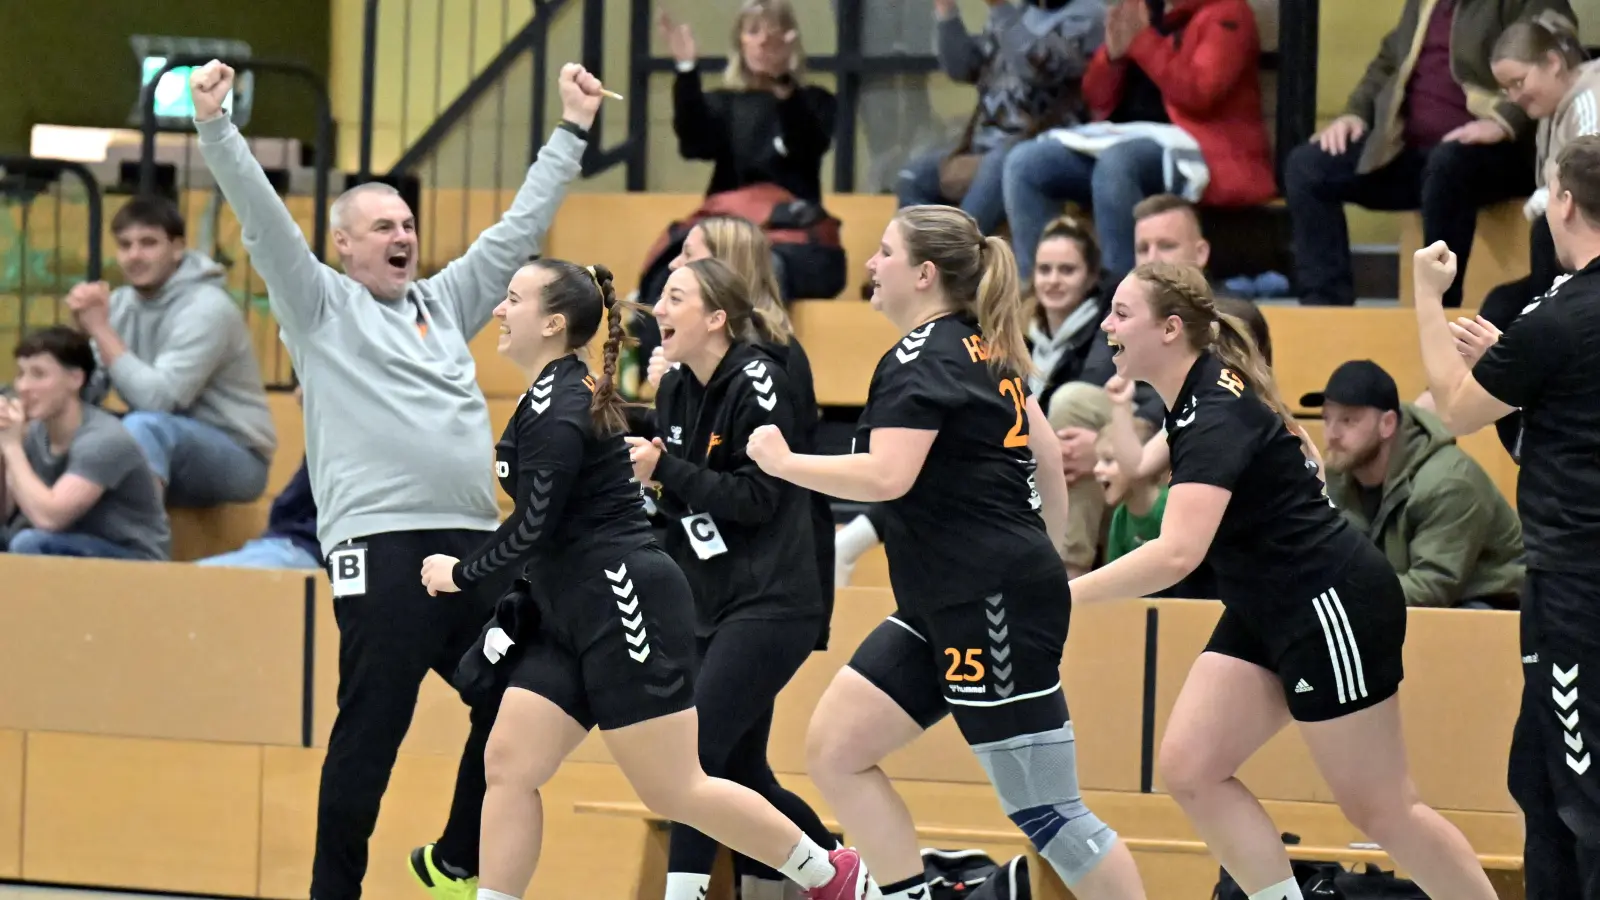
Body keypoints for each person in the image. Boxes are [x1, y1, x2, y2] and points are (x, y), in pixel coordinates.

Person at [188, 58, 602, 900]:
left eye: (406, 222)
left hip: (473, 548)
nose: (399, 235)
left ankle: (455, 857)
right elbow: (263, 221)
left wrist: (572, 128)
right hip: (379, 552)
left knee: (522, 691)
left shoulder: (446, 304)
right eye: (379, 226)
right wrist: (216, 127)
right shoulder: (320, 307)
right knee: (369, 737)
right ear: (343, 244)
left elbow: (519, 230)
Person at [416, 259, 869, 900]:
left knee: (675, 786)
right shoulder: (548, 395)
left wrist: (459, 573)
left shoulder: (561, 406)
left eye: (512, 298)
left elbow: (534, 526)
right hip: (564, 610)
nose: (497, 309)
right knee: (508, 764)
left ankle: (830, 874)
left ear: (551, 322)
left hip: (622, 601)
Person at [746, 205, 1152, 900]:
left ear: (925, 274)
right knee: (837, 748)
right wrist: (1043, 558)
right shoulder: (982, 347)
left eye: (884, 253)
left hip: (986, 601)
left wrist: (783, 461)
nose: (871, 267)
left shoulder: (925, 356)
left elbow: (886, 474)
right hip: (949, 601)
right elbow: (1048, 459)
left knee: (1049, 811)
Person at [1075, 261, 1497, 900]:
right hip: (1265, 604)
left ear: (1169, 329)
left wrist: (1065, 594)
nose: (1106, 324)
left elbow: (1176, 554)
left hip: (1329, 604)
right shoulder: (1193, 400)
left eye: (1120, 313)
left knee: (1383, 810)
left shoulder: (1215, 408)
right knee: (1191, 769)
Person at [1411, 135, 1600, 900]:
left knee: (1582, 792)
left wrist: (1427, 295)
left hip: (1576, 587)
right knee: (1539, 774)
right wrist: (1516, 360)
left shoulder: (1563, 314)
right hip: (1568, 576)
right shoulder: (1556, 323)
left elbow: (1455, 410)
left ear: (1562, 202)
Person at [628, 258, 837, 900]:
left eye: (674, 297)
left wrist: (666, 470)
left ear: (716, 318)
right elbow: (681, 502)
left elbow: (758, 499)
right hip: (710, 602)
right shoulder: (672, 389)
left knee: (693, 759)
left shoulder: (757, 379)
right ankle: (844, 873)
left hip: (774, 601)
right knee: (741, 772)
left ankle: (685, 894)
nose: (658, 310)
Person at [1283, 0, 1570, 307]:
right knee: (1308, 165)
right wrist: (1355, 114)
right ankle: (1325, 306)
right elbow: (1388, 63)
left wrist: (1504, 121)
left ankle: (1438, 307)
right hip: (1411, 153)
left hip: (1496, 156)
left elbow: (1558, 51)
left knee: (1447, 164)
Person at [650, 215, 836, 656]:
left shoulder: (770, 361)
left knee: (709, 721)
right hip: (715, 566)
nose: (676, 263)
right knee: (729, 722)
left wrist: (665, 464)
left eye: (690, 256)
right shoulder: (689, 367)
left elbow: (759, 487)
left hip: (769, 568)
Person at [66, 195, 276, 507]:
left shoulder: (207, 308)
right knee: (50, 420)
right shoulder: (121, 304)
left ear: (177, 248)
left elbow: (159, 401)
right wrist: (78, 351)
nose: (134, 255)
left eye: (148, 243)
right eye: (125, 245)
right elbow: (88, 395)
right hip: (160, 439)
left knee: (143, 426)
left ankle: (141, 543)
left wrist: (101, 330)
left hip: (236, 456)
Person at [1302, 360, 1523, 610]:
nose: (1332, 434)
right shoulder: (1339, 474)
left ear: (1387, 424)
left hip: (1489, 607)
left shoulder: (1448, 482)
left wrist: (1340, 595)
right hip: (1401, 598)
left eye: (1348, 420)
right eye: (1327, 418)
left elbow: (1432, 588)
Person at [0, 326, 169, 561]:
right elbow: (4, 513)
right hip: (64, 545)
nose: (23, 387)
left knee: (30, 543)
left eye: (38, 374)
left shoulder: (104, 440)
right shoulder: (34, 432)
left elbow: (50, 518)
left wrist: (11, 448)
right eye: (20, 374)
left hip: (132, 560)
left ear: (75, 379)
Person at [1485, 11, 1598, 317]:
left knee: (1544, 231)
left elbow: (1590, 180)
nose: (1514, 97)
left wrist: (1546, 198)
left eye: (1519, 82)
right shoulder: (1551, 113)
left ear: (1553, 63)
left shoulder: (1590, 97)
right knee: (1500, 304)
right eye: (1506, 89)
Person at [197, 384, 320, 571]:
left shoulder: (346, 436)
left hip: (308, 552)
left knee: (180, 586)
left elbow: (289, 511)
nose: (297, 394)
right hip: (292, 546)